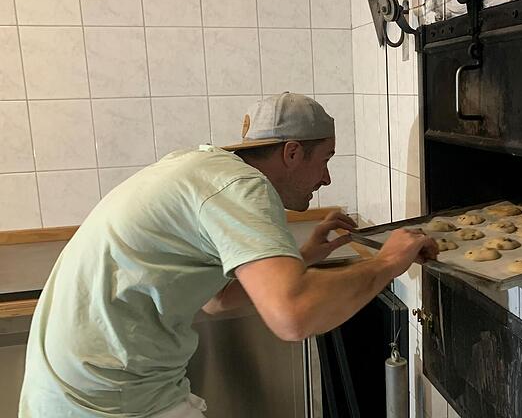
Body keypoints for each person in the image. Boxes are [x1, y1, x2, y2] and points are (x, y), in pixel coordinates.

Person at [19, 92, 438, 417]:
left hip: (67, 388)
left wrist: (303, 257)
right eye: (325, 160)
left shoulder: (201, 167)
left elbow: (214, 298)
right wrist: (387, 262)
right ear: (292, 153)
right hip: (110, 397)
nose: (326, 178)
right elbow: (293, 315)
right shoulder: (242, 188)